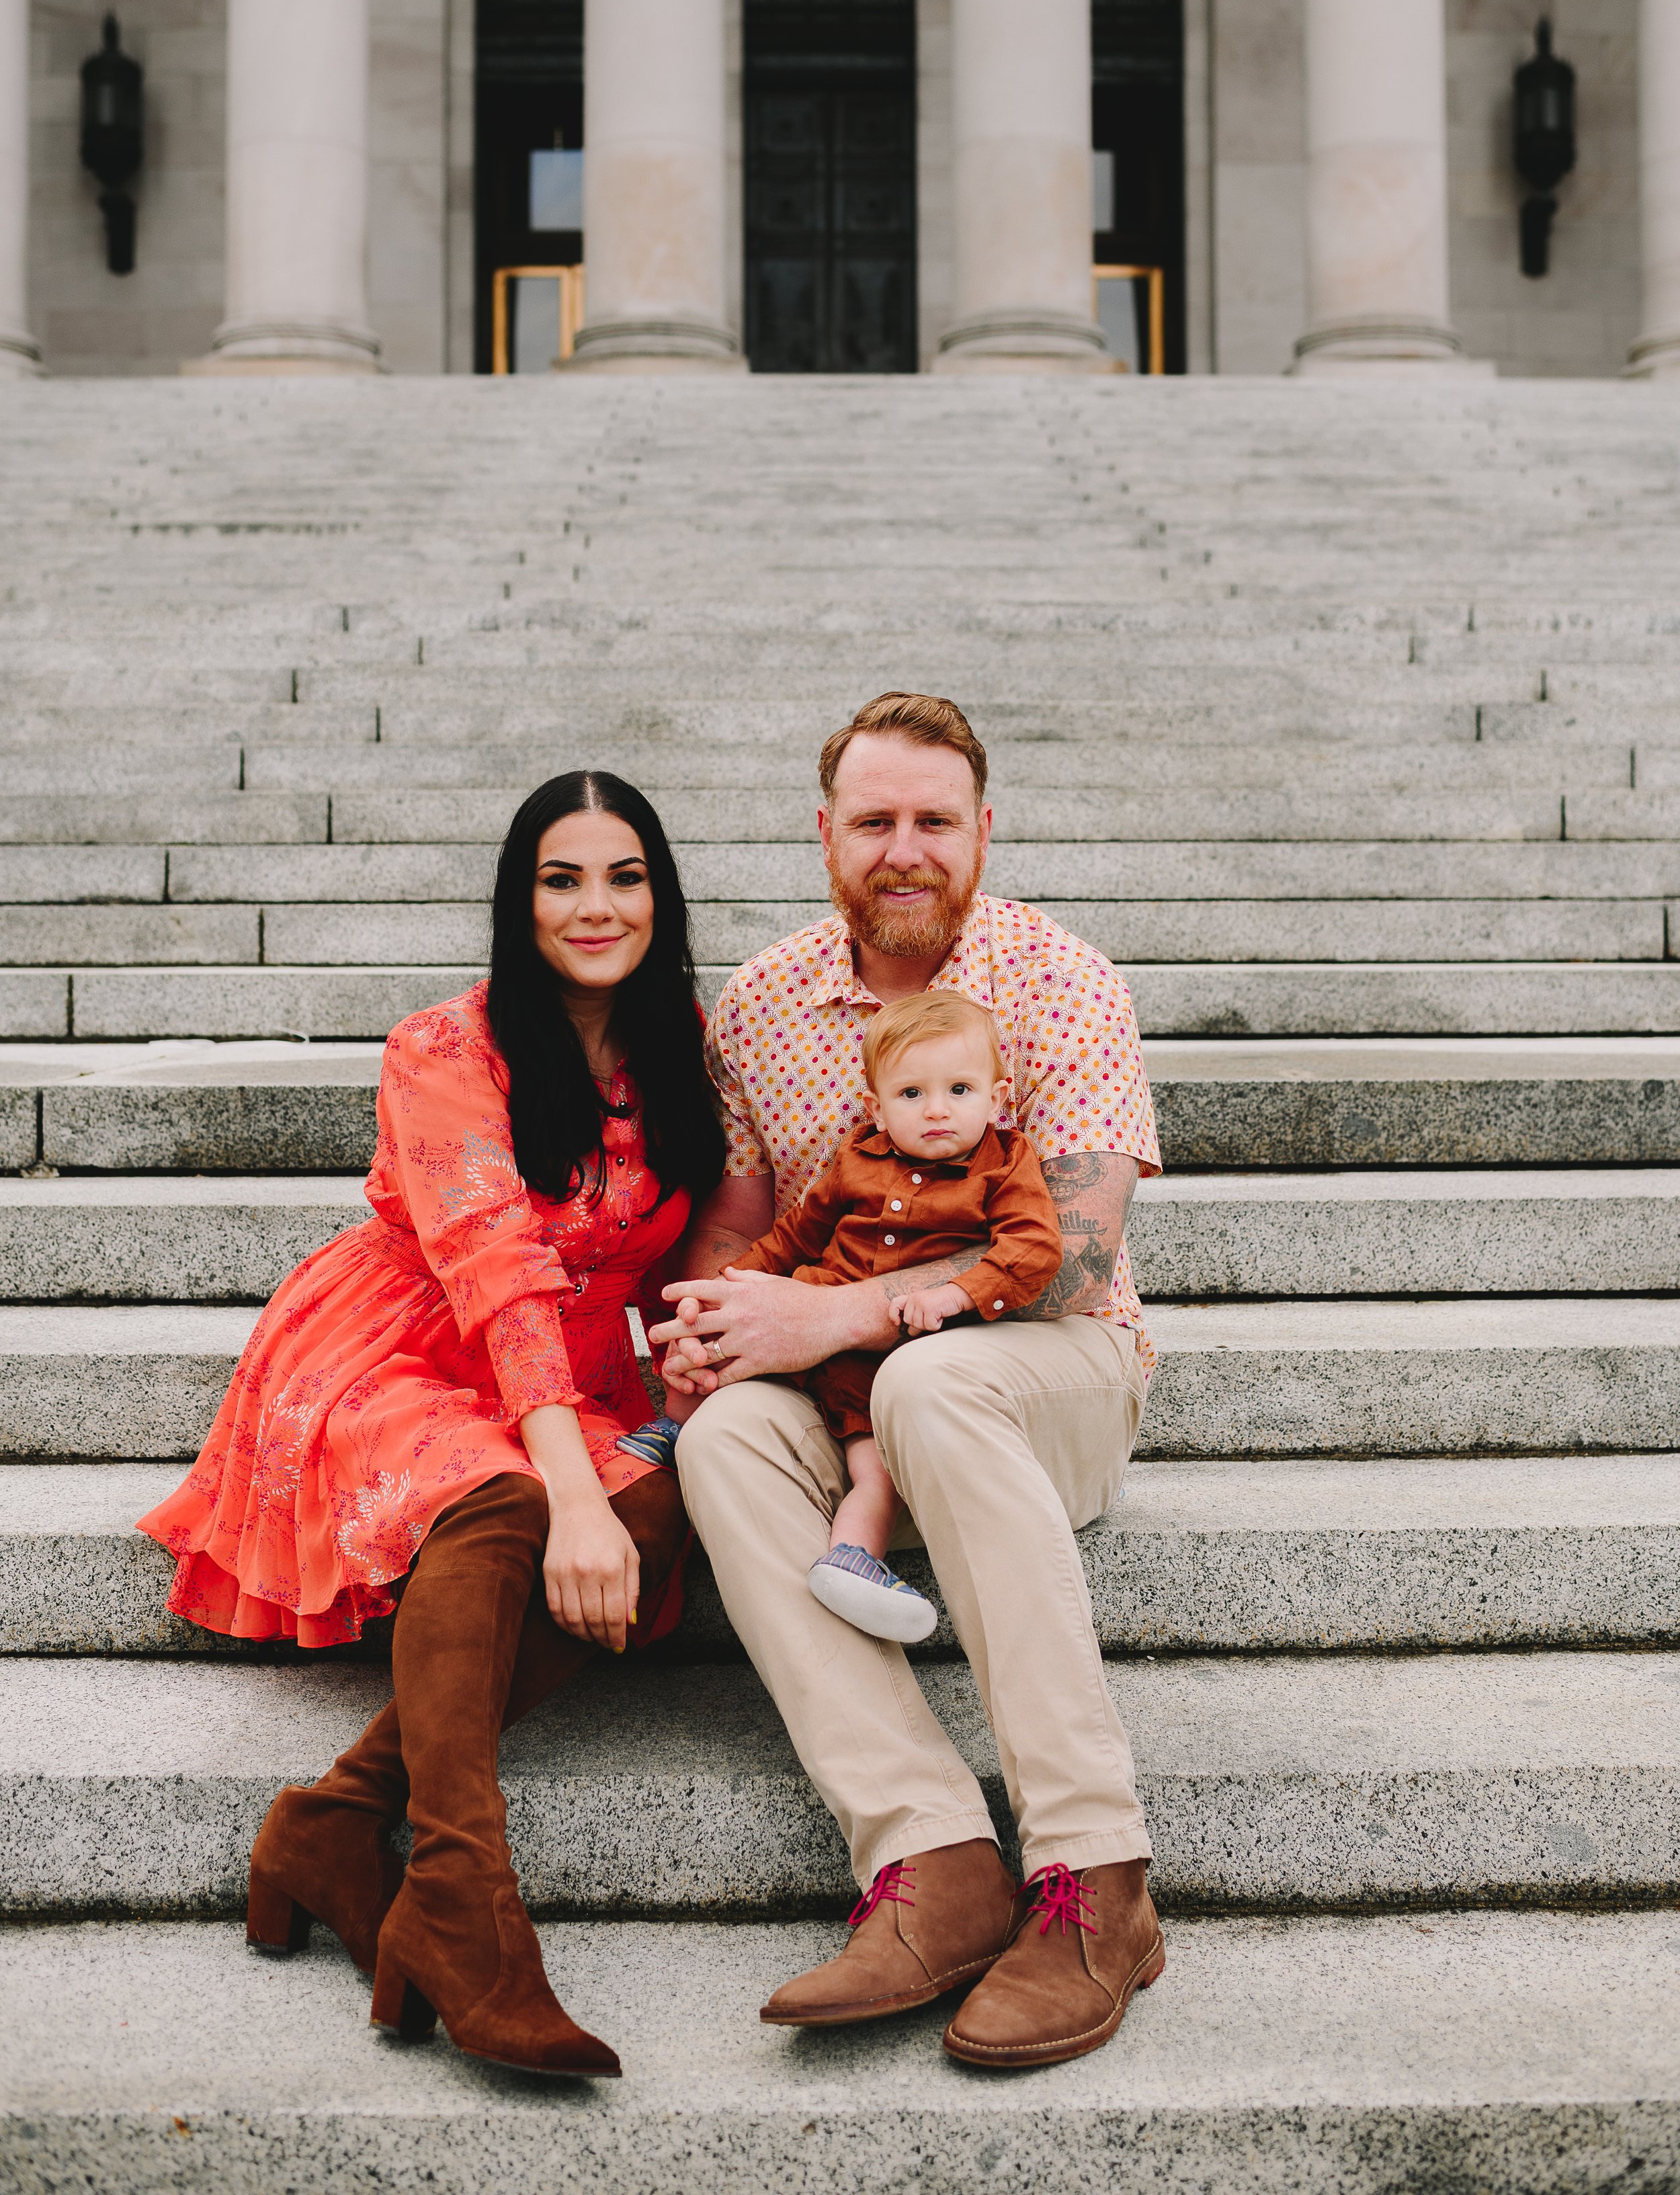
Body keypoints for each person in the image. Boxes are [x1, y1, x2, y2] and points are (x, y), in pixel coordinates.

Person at [137, 772, 724, 2079]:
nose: (594, 905)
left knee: (664, 1505)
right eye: (560, 878)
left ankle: (339, 1818)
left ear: (659, 894)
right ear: (519, 902)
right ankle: (463, 1900)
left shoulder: (684, 1040)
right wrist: (570, 1490)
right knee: (512, 1502)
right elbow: (494, 1272)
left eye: (623, 875)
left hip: (588, 1368)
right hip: (407, 1339)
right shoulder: (444, 1047)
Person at [650, 692, 1167, 2072]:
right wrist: (709, 1323)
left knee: (930, 1385)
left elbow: (1070, 1254)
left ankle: (1094, 1878)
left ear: (981, 832)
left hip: (1039, 1372)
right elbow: (738, 1219)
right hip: (850, 1400)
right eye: (873, 819)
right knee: (726, 1444)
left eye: (933, 819)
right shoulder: (763, 1001)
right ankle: (935, 1859)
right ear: (824, 834)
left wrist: (843, 1321)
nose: (904, 847)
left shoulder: (1064, 984)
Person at [622, 989, 1062, 1648]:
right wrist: (735, 1287)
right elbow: (798, 1233)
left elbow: (1035, 1248)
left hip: (879, 1357)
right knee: (715, 1331)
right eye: (911, 1094)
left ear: (997, 1097)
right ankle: (675, 1428)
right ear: (876, 1106)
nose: (937, 1109)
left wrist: (958, 1293)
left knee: (873, 1466)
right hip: (808, 1305)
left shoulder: (1005, 1162)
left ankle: (855, 1557)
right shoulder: (859, 1155)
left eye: (960, 1089)